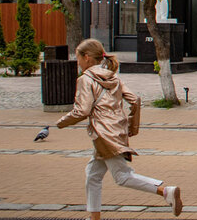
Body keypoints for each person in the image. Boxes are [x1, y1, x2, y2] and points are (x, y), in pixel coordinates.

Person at [57, 38, 182, 220]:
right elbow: (135, 100)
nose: (78, 63)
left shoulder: (85, 79)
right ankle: (94, 217)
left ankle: (165, 191)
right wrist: (132, 126)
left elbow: (82, 110)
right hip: (116, 130)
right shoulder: (113, 76)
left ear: (86, 58)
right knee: (93, 175)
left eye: (78, 58)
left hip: (103, 134)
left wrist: (61, 122)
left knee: (122, 177)